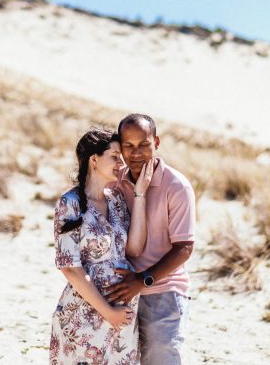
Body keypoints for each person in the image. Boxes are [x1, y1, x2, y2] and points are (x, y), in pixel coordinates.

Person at [50, 128, 154, 365]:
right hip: (85, 315)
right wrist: (108, 312)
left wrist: (139, 196)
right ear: (94, 160)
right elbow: (70, 268)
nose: (121, 163)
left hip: (122, 315)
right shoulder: (70, 203)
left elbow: (135, 249)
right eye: (115, 157)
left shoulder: (116, 200)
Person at [105, 114, 197, 365]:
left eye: (144, 144)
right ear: (120, 147)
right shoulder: (115, 182)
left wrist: (142, 281)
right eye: (128, 146)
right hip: (121, 291)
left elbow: (184, 248)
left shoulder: (177, 186)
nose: (136, 153)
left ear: (156, 142)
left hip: (164, 293)